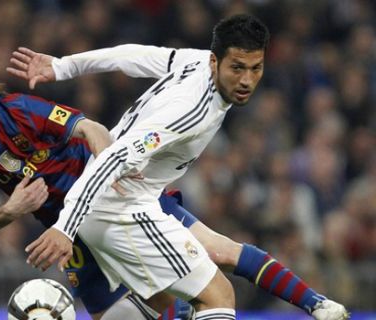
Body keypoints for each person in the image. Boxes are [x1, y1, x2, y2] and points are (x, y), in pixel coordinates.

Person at [19, 14, 349, 320]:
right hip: (117, 207)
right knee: (218, 296)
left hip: (141, 195)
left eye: (256, 68)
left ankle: (317, 305)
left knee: (222, 253)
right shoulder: (187, 113)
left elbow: (130, 56)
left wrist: (63, 66)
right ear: (215, 61)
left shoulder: (195, 62)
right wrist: (65, 227)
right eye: (237, 68)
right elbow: (113, 158)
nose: (247, 80)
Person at [0, 54, 209, 320]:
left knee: (205, 268)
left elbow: (90, 128)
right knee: (109, 313)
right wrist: (11, 209)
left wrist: (111, 171)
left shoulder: (19, 109)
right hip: (62, 228)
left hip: (105, 201)